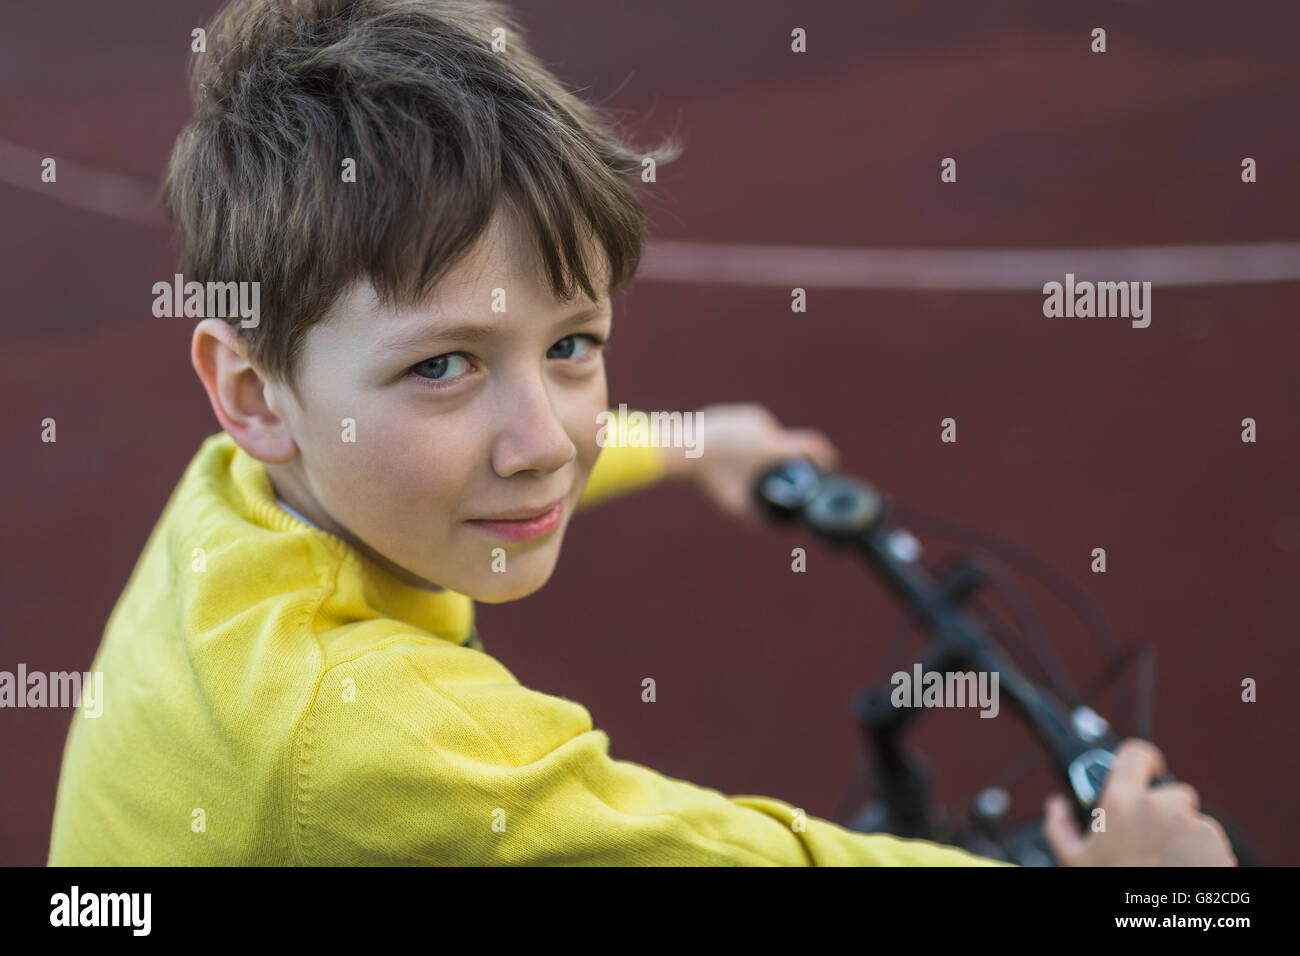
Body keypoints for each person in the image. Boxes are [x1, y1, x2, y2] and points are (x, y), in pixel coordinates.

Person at [47, 0, 1234, 866]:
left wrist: (687, 438)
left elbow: (515, 441)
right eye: (444, 364)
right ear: (253, 393)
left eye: (572, 345)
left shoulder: (237, 503)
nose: (549, 439)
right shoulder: (381, 742)